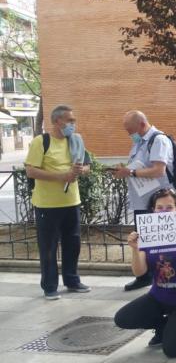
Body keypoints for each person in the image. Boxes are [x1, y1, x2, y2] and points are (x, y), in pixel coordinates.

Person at [114, 188, 176, 358]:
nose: (164, 211)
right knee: (122, 318)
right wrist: (135, 250)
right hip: (159, 297)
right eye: (159, 207)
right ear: (153, 210)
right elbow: (139, 271)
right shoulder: (146, 235)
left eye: (169, 207)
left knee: (171, 350)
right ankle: (164, 325)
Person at [25, 105, 91, 300]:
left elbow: (87, 165)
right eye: (69, 121)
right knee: (48, 246)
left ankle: (72, 280)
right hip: (47, 204)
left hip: (72, 201)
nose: (73, 124)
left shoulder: (76, 140)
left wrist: (80, 171)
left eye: (74, 121)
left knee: (73, 243)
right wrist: (62, 175)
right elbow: (31, 171)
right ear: (56, 122)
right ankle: (50, 286)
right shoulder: (41, 142)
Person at [113, 110, 174, 291]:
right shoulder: (140, 143)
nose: (129, 134)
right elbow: (139, 167)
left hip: (156, 203)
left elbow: (158, 170)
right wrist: (125, 171)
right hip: (143, 200)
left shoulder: (158, 140)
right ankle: (145, 276)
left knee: (158, 242)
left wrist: (130, 172)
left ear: (141, 124)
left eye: (130, 130)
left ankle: (161, 276)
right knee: (145, 241)